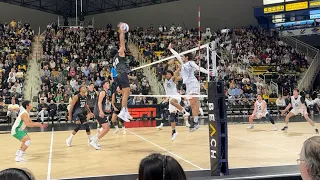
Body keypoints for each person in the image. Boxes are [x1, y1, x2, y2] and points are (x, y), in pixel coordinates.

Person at [168, 43, 210, 132]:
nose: (182, 58)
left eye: (183, 56)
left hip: (193, 84)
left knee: (194, 103)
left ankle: (196, 123)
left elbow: (199, 68)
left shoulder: (191, 63)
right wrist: (171, 49)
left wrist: (208, 73)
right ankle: (195, 122)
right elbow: (177, 55)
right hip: (188, 86)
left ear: (187, 57)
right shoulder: (183, 63)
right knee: (192, 104)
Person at [156, 70, 190, 140]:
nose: (167, 75)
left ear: (171, 75)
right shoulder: (165, 80)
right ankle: (174, 132)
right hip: (171, 97)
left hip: (176, 97)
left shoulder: (173, 80)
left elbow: (175, 74)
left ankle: (184, 112)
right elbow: (163, 73)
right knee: (171, 117)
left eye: (169, 74)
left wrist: (179, 68)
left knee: (171, 102)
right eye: (167, 74)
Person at [111, 22, 132, 122]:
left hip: (118, 76)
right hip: (122, 74)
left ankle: (125, 111)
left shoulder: (114, 59)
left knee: (125, 93)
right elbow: (122, 41)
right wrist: (122, 31)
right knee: (126, 94)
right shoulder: (120, 53)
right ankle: (123, 112)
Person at [90, 80, 111, 150]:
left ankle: (94, 139)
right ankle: (94, 141)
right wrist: (101, 111)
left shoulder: (104, 92)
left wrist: (104, 110)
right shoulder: (102, 92)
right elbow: (99, 102)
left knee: (103, 128)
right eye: (107, 83)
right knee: (107, 128)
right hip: (98, 111)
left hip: (98, 111)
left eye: (108, 83)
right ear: (103, 85)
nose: (108, 84)